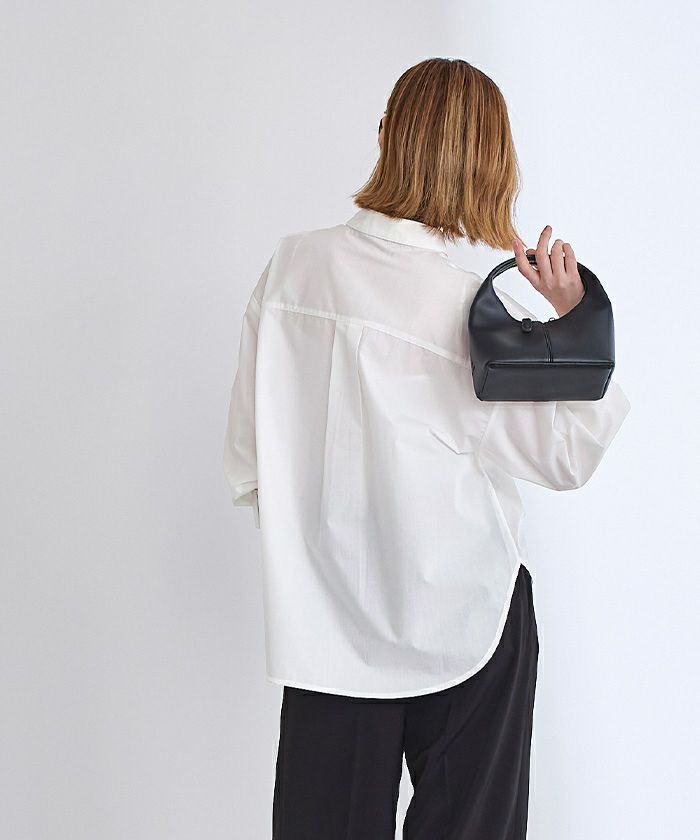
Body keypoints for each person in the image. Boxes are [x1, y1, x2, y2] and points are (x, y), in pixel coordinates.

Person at [223, 57, 631, 839]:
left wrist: (327, 555)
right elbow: (568, 457)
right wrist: (576, 322)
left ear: (387, 135)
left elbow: (249, 460)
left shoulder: (290, 272)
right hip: (469, 619)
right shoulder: (476, 314)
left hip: (325, 624)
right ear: (489, 168)